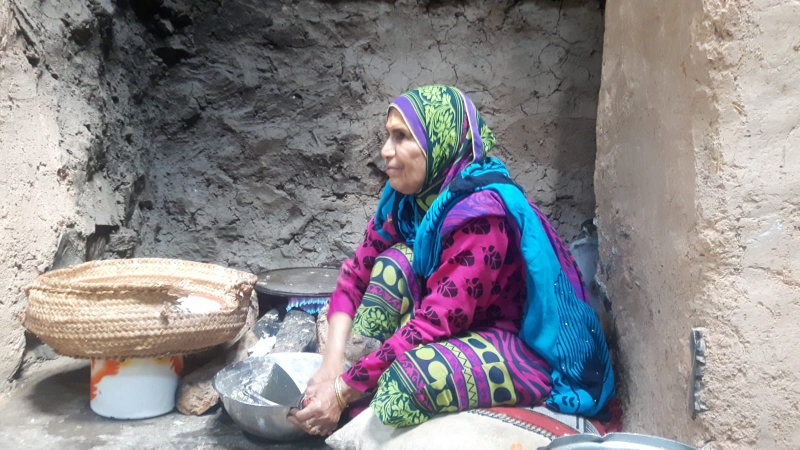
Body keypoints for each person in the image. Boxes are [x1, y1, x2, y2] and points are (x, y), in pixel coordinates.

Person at [288, 85, 614, 437]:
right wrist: (331, 366)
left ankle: (355, 401)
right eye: (388, 136)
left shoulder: (481, 217)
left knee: (404, 384)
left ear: (438, 144)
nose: (385, 151)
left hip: (522, 343)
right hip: (460, 322)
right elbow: (354, 276)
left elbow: (433, 324)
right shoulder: (405, 201)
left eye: (402, 138)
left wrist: (341, 391)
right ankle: (351, 395)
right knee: (393, 262)